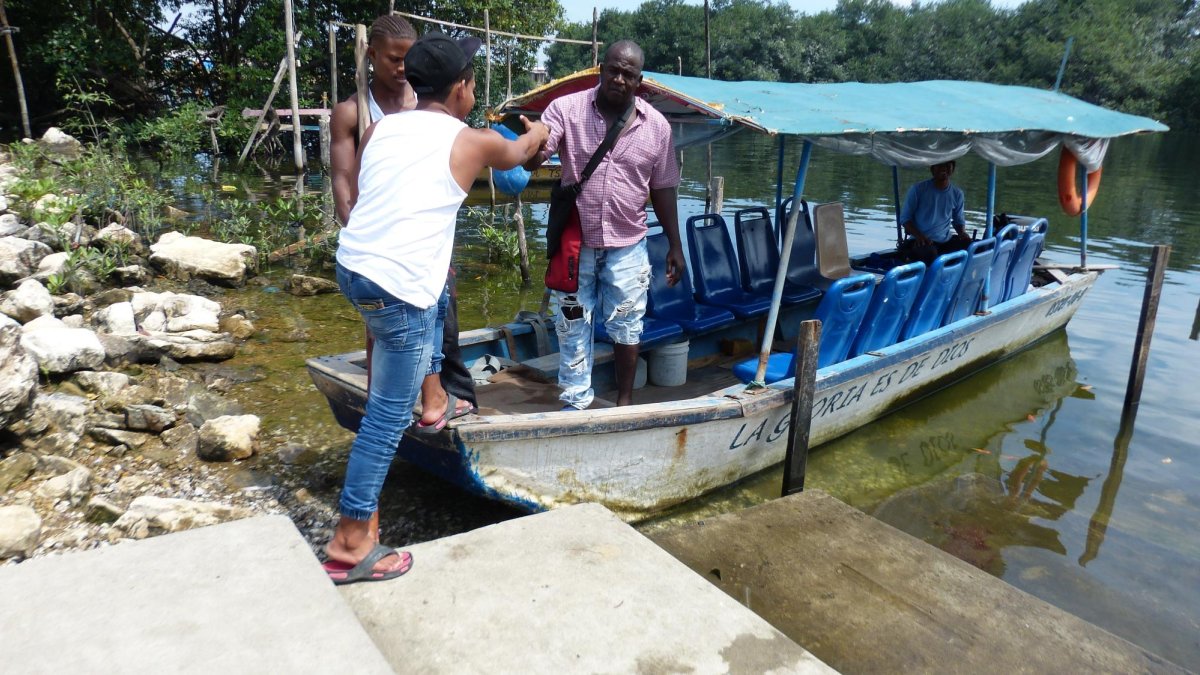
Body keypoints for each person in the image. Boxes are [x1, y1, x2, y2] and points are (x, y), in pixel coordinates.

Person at [323, 32, 549, 584]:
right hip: (397, 289)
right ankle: (350, 545)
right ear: (462, 89)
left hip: (355, 270)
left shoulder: (379, 129)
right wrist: (539, 130)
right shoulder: (470, 141)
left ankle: (435, 402)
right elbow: (519, 158)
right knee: (384, 419)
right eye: (472, 82)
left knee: (430, 312)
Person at [329, 14, 474, 429]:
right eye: (393, 59)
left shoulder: (424, 103)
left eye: (408, 60)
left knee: (440, 320)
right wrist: (369, 239)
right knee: (381, 332)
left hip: (426, 238)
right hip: (381, 246)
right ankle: (385, 411)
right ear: (371, 55)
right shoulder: (353, 112)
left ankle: (441, 397)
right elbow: (344, 183)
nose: (401, 68)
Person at [525, 40, 685, 411]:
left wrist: (675, 244)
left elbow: (663, 189)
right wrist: (529, 146)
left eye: (628, 74)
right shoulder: (566, 110)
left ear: (639, 81)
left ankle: (624, 401)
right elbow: (537, 157)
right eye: (613, 69)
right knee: (571, 324)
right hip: (575, 243)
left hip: (628, 243)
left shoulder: (657, 127)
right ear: (600, 68)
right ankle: (575, 403)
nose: (618, 78)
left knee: (628, 325)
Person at [899, 160, 972, 264]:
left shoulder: (957, 194)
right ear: (932, 169)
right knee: (930, 253)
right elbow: (905, 219)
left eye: (947, 165)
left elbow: (958, 221)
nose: (943, 168)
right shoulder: (918, 190)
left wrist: (962, 233)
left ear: (953, 169)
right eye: (940, 165)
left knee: (970, 246)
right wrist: (920, 236)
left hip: (945, 240)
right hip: (921, 241)